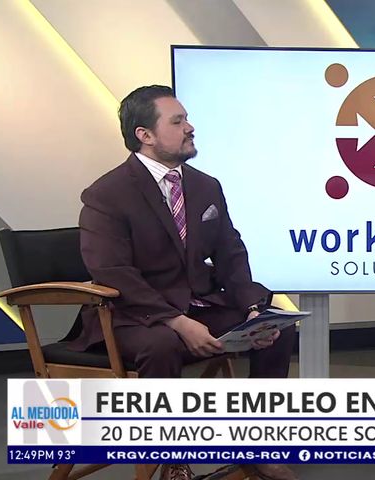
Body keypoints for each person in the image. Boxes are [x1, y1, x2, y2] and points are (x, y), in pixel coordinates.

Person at [70, 85, 297, 480]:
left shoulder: (205, 186)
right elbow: (113, 272)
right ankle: (174, 458)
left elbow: (230, 252)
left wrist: (251, 308)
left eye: (186, 119)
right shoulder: (107, 195)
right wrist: (176, 321)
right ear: (145, 135)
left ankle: (257, 441)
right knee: (163, 344)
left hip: (197, 303)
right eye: (177, 122)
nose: (190, 127)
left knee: (277, 327)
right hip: (131, 315)